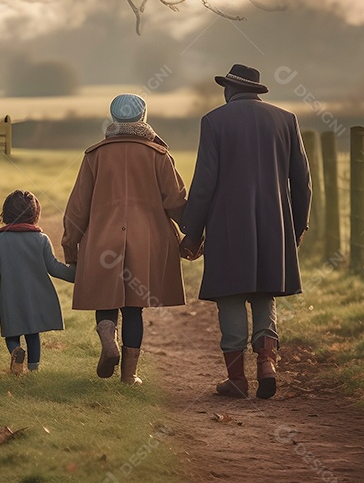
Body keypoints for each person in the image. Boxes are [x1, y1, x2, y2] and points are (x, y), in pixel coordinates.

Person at [180, 64, 311, 399]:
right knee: (265, 291)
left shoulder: (214, 121)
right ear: (256, 90)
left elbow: (205, 183)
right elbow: (302, 183)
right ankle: (267, 363)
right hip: (274, 222)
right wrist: (294, 229)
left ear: (229, 90)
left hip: (227, 223)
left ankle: (237, 379)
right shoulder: (286, 119)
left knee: (231, 295)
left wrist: (192, 233)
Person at [62, 93, 188, 385]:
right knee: (134, 307)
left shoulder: (94, 155)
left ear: (114, 119)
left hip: (101, 238)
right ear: (143, 118)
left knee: (105, 299)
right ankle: (129, 376)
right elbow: (176, 202)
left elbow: (78, 207)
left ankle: (108, 340)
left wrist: (71, 248)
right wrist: (193, 236)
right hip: (146, 242)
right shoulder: (159, 156)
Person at [0, 190, 75, 374]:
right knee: (33, 333)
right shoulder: (41, 239)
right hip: (37, 297)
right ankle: (34, 370)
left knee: (11, 333)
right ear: (34, 214)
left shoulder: (1, 240)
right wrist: (76, 274)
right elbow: (53, 268)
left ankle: (15, 352)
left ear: (6, 214)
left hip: (11, 297)